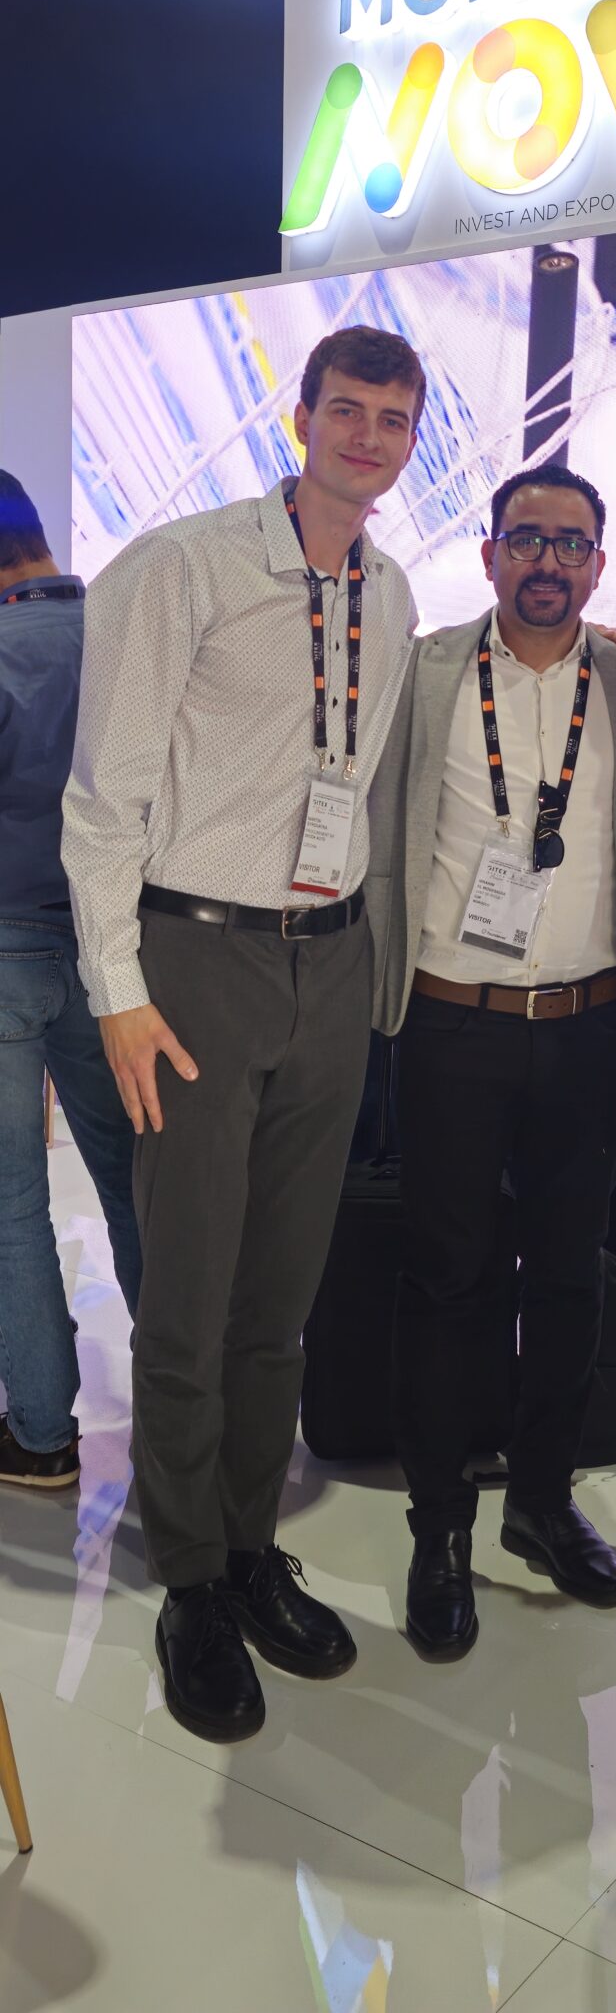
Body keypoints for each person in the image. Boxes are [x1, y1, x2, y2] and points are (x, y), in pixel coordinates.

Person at [61, 327, 423, 1743]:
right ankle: (190, 1578)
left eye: (393, 419)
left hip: (327, 963)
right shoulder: (186, 568)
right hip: (196, 958)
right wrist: (119, 991)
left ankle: (251, 1541)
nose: (368, 438)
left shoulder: (390, 592)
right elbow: (106, 801)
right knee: (191, 1294)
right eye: (349, 410)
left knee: (281, 1296)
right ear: (302, 416)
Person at [369, 461, 616, 1658]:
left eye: (570, 542)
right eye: (525, 539)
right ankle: (438, 1526)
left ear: (598, 563)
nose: (547, 560)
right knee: (448, 1278)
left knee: (570, 1276)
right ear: (488, 554)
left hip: (588, 1027)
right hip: (450, 1023)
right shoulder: (423, 672)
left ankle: (540, 1499)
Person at [0, 473, 140, 1490]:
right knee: (138, 1189)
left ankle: (42, 1434)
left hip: (4, 952)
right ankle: (186, 1423)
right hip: (115, 954)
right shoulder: (131, 641)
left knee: (10, 1203)